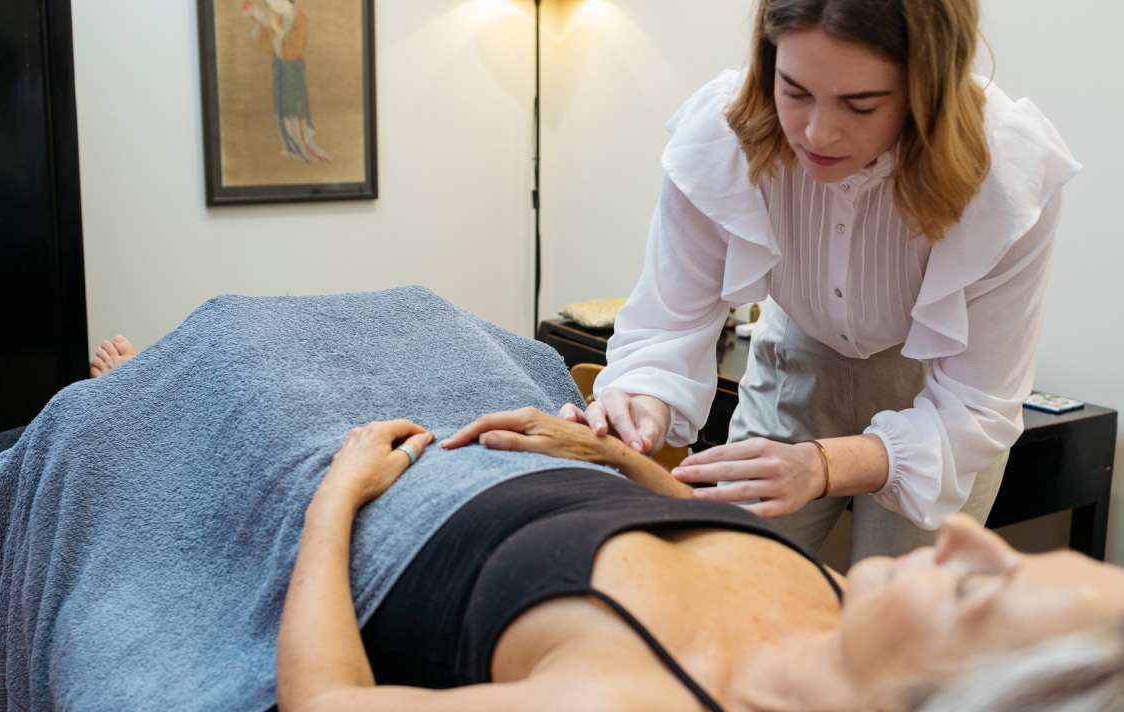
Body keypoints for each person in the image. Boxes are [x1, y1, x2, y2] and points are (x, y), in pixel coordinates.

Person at [576, 0, 1080, 560]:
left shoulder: (1004, 174)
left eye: (860, 104)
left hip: (939, 402)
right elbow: (667, 326)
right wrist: (640, 409)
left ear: (925, 90)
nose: (816, 132)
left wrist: (821, 465)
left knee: (892, 629)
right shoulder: (721, 137)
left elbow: (977, 407)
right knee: (736, 578)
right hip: (795, 362)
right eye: (793, 90)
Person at [277, 406, 1124, 711]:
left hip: (391, 506)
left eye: (979, 591)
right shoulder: (844, 615)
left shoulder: (631, 701)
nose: (967, 537)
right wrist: (609, 458)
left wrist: (337, 495)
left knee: (248, 371)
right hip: (542, 457)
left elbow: (325, 702)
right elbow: (696, 530)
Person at [242, 0, 331, 163]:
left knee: (293, 106)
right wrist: (257, 20)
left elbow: (294, 47)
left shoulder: (300, 18)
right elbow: (267, 46)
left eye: (275, 1)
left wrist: (278, 31)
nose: (273, 6)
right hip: (279, 67)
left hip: (292, 68)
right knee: (281, 104)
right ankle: (289, 147)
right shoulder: (280, 18)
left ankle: (302, 147)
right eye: (269, 3)